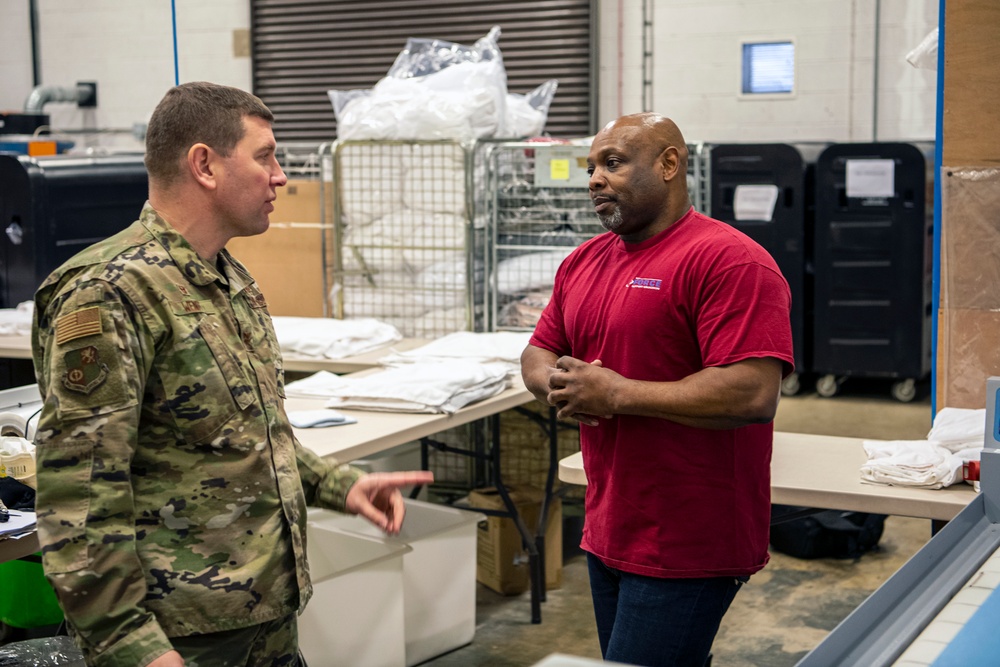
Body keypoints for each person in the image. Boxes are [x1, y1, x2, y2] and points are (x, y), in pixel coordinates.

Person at [30, 81, 433, 667]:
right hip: (179, 640)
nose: (280, 177)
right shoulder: (111, 293)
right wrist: (133, 647)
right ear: (204, 165)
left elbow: (249, 435)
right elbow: (81, 499)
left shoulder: (228, 282)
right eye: (264, 156)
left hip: (264, 624)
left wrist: (338, 485)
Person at [521, 113, 794, 667]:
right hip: (609, 524)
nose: (595, 178)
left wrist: (616, 394)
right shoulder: (583, 263)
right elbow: (538, 350)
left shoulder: (731, 261)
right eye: (591, 167)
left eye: (613, 163)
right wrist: (562, 385)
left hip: (689, 538)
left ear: (669, 164)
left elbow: (751, 392)